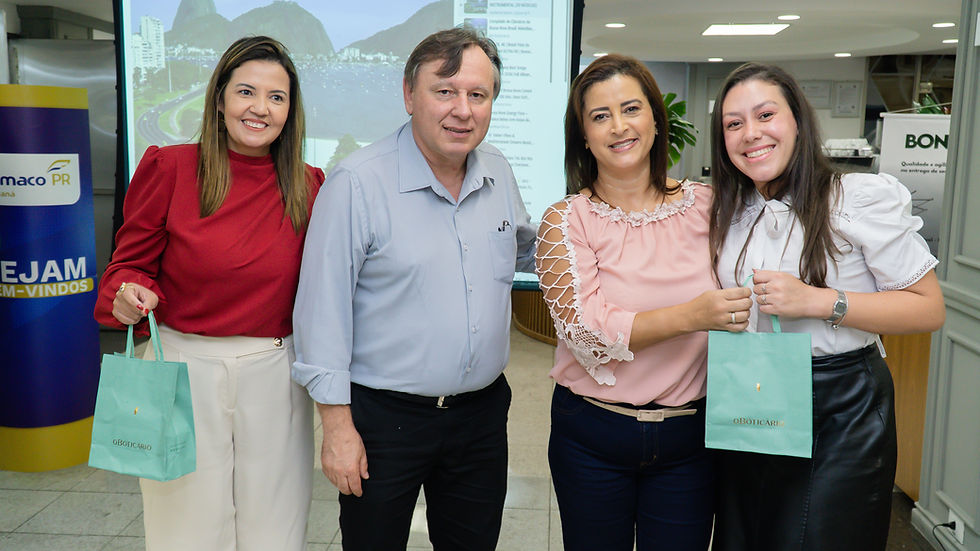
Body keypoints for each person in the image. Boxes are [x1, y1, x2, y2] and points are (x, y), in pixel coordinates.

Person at [291, 27, 536, 550]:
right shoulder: (356, 183)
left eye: (478, 94)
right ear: (408, 94)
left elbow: (524, 252)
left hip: (480, 417)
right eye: (444, 91)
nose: (462, 110)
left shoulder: (497, 169)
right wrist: (337, 428)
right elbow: (321, 313)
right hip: (384, 421)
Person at [93, 36, 324, 551]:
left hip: (278, 371)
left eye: (277, 97)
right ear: (219, 99)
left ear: (291, 111)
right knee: (186, 532)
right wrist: (129, 292)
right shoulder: (171, 168)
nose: (260, 108)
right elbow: (127, 266)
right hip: (182, 369)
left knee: (276, 531)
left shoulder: (309, 186)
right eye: (246, 92)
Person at [708, 62, 946, 551]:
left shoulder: (856, 198)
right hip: (753, 393)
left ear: (797, 119)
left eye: (765, 115)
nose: (750, 133)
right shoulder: (730, 210)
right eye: (733, 123)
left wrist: (819, 301)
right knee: (748, 535)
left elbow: (928, 309)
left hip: (841, 405)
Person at [533, 54, 753, 551]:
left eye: (631, 109)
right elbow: (586, 332)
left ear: (656, 119)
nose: (619, 126)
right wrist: (694, 316)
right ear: (583, 136)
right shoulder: (566, 220)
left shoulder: (711, 205)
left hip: (690, 439)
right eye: (600, 116)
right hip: (591, 436)